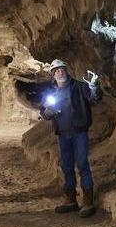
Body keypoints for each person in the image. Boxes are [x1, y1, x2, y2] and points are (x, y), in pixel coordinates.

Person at [40, 59, 103, 218]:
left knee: (82, 164)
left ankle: (88, 201)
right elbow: (44, 113)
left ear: (66, 71)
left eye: (62, 69)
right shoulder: (51, 92)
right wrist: (48, 112)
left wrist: (94, 86)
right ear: (53, 75)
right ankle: (70, 199)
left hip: (79, 132)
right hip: (63, 134)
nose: (60, 72)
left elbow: (94, 98)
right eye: (56, 71)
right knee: (67, 166)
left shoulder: (80, 87)